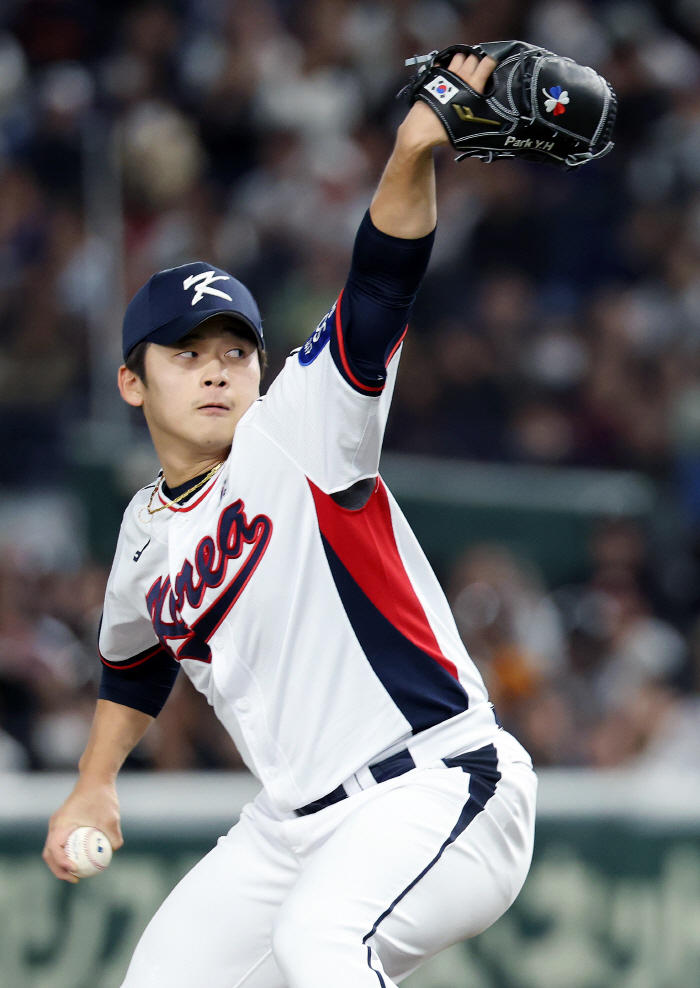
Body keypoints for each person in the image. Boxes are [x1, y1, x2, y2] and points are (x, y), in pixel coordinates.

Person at [43, 52, 536, 988]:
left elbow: (380, 286)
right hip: (291, 827)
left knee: (324, 945)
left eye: (235, 348)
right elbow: (135, 661)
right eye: (187, 355)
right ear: (131, 383)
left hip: (436, 782)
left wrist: (413, 152)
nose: (218, 367)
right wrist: (96, 781)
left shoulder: (299, 428)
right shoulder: (144, 534)